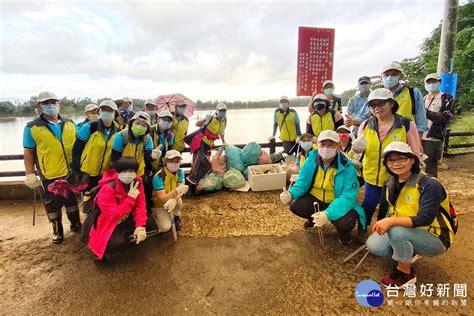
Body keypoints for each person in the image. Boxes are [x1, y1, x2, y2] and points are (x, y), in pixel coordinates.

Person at [366, 142, 455, 287]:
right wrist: (381, 224)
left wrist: (390, 222)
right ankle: (408, 250)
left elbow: (425, 218)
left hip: (435, 236)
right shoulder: (390, 182)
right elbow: (385, 209)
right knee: (374, 246)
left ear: (412, 159)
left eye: (401, 159)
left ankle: (405, 274)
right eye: (391, 160)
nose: (396, 164)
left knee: (395, 230)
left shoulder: (429, 184)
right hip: (407, 229)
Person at [280, 130, 366, 245]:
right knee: (295, 205)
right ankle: (313, 219)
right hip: (316, 198)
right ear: (318, 145)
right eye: (323, 144)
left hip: (337, 200)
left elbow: (347, 197)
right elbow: (302, 183)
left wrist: (327, 214)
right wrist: (291, 194)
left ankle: (344, 234)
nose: (326, 148)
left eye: (330, 145)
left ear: (337, 147)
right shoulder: (310, 160)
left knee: (345, 223)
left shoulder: (348, 168)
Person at [355, 88, 421, 227]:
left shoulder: (405, 124)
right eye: (373, 105)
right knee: (368, 204)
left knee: (388, 207)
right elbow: (359, 151)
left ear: (391, 103)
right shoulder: (366, 125)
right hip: (371, 175)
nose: (377, 108)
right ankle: (362, 228)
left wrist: (414, 173)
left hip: (396, 176)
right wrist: (356, 150)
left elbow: (415, 151)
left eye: (381, 103)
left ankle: (381, 235)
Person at [23, 91, 80, 243]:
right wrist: (30, 173)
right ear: (39, 106)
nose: (51, 106)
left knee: (72, 201)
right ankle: (57, 229)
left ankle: (75, 224)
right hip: (50, 173)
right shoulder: (32, 127)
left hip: (70, 171)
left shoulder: (70, 124)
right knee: (53, 203)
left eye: (53, 102)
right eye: (46, 103)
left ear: (59, 103)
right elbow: (29, 152)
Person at [85, 157, 148, 261]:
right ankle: (101, 250)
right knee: (116, 242)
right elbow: (114, 214)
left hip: (124, 217)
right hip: (106, 221)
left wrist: (140, 226)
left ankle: (125, 234)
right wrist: (131, 198)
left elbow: (140, 204)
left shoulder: (137, 182)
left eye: (131, 171)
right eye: (124, 171)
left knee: (141, 227)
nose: (128, 174)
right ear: (117, 172)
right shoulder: (108, 188)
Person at [351, 62, 428, 142]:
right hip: (381, 138)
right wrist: (352, 121)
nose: (390, 77)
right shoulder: (376, 94)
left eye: (394, 74)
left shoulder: (412, 92)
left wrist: (418, 141)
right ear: (381, 77)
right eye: (386, 75)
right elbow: (364, 115)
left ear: (401, 76)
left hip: (405, 137)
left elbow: (421, 119)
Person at [72, 100, 120, 191]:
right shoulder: (89, 127)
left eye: (110, 110)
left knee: (103, 200)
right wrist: (76, 171)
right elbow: (77, 149)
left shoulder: (117, 132)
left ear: (115, 114)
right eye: (104, 109)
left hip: (105, 175)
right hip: (87, 174)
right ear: (99, 112)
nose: (106, 112)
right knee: (88, 200)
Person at [186, 102, 228, 185]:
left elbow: (222, 132)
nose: (222, 112)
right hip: (201, 139)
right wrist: (204, 119)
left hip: (209, 143)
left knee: (207, 164)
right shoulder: (211, 117)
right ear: (217, 110)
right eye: (220, 110)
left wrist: (224, 142)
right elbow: (197, 124)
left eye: (224, 111)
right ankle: (192, 176)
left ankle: (198, 179)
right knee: (199, 156)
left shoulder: (224, 120)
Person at [422, 73, 455, 178]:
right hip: (420, 136)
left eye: (434, 82)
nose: (431, 84)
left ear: (439, 83)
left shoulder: (446, 98)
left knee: (430, 167)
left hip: (433, 138)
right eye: (429, 82)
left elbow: (445, 118)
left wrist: (426, 112)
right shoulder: (423, 99)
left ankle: (432, 190)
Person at [152, 150, 189, 232]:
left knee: (179, 201)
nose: (174, 163)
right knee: (165, 228)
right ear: (165, 161)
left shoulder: (180, 172)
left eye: (177, 161)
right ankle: (156, 214)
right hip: (160, 204)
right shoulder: (158, 177)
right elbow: (163, 198)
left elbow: (181, 191)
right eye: (171, 161)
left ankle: (176, 216)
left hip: (173, 199)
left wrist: (174, 200)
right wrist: (177, 190)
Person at [111, 111, 154, 177]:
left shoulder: (148, 139)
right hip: (123, 173)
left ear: (147, 128)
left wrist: (153, 157)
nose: (140, 126)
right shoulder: (121, 136)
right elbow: (115, 158)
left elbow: (147, 159)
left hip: (139, 174)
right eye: (137, 123)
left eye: (144, 125)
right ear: (131, 123)